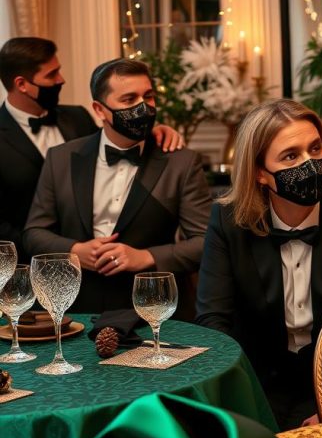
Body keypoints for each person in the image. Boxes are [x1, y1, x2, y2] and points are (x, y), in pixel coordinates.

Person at [196, 98, 322, 430]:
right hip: (255, 382)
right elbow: (213, 320)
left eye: (315, 149)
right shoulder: (229, 222)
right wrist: (244, 403)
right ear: (260, 173)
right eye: (291, 155)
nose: (310, 163)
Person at [24, 57, 212, 316]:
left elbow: (206, 241)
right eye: (128, 100)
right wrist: (76, 251)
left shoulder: (181, 162)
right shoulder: (61, 158)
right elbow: (34, 233)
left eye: (148, 97)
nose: (143, 108)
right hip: (75, 309)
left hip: (154, 309)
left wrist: (146, 257)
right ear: (100, 110)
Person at [0, 37, 184, 258]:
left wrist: (153, 130)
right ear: (21, 84)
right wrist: (56, 250)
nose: (61, 80)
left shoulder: (77, 117)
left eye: (58, 71)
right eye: (51, 75)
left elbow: (115, 137)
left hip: (98, 260)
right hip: (25, 261)